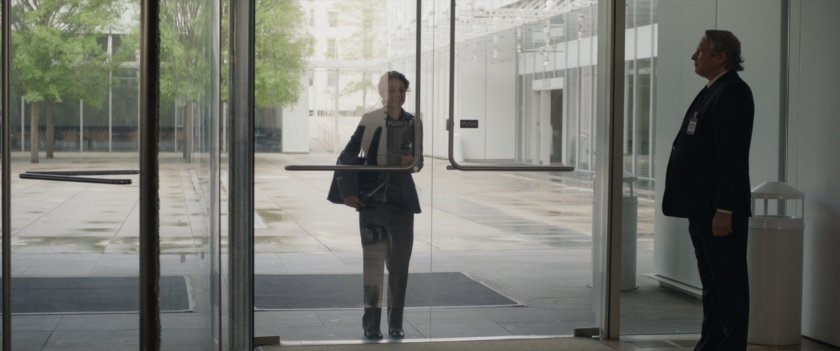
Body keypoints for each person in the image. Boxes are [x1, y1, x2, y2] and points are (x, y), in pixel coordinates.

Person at [662, 30, 754, 350]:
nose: (693, 56)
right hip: (702, 207)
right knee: (712, 284)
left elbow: (731, 156)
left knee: (728, 284)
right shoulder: (712, 90)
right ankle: (711, 343)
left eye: (700, 51)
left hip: (719, 212)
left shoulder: (733, 93)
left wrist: (725, 209)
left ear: (720, 57)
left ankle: (730, 345)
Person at [328, 71, 422, 340]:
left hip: (402, 205)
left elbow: (419, 161)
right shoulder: (370, 120)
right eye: (391, 90)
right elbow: (347, 154)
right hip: (372, 203)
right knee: (373, 267)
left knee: (400, 266)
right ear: (382, 92)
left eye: (401, 90)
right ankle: (371, 325)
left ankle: (396, 323)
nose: (397, 95)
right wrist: (347, 192)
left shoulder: (414, 123)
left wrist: (412, 162)